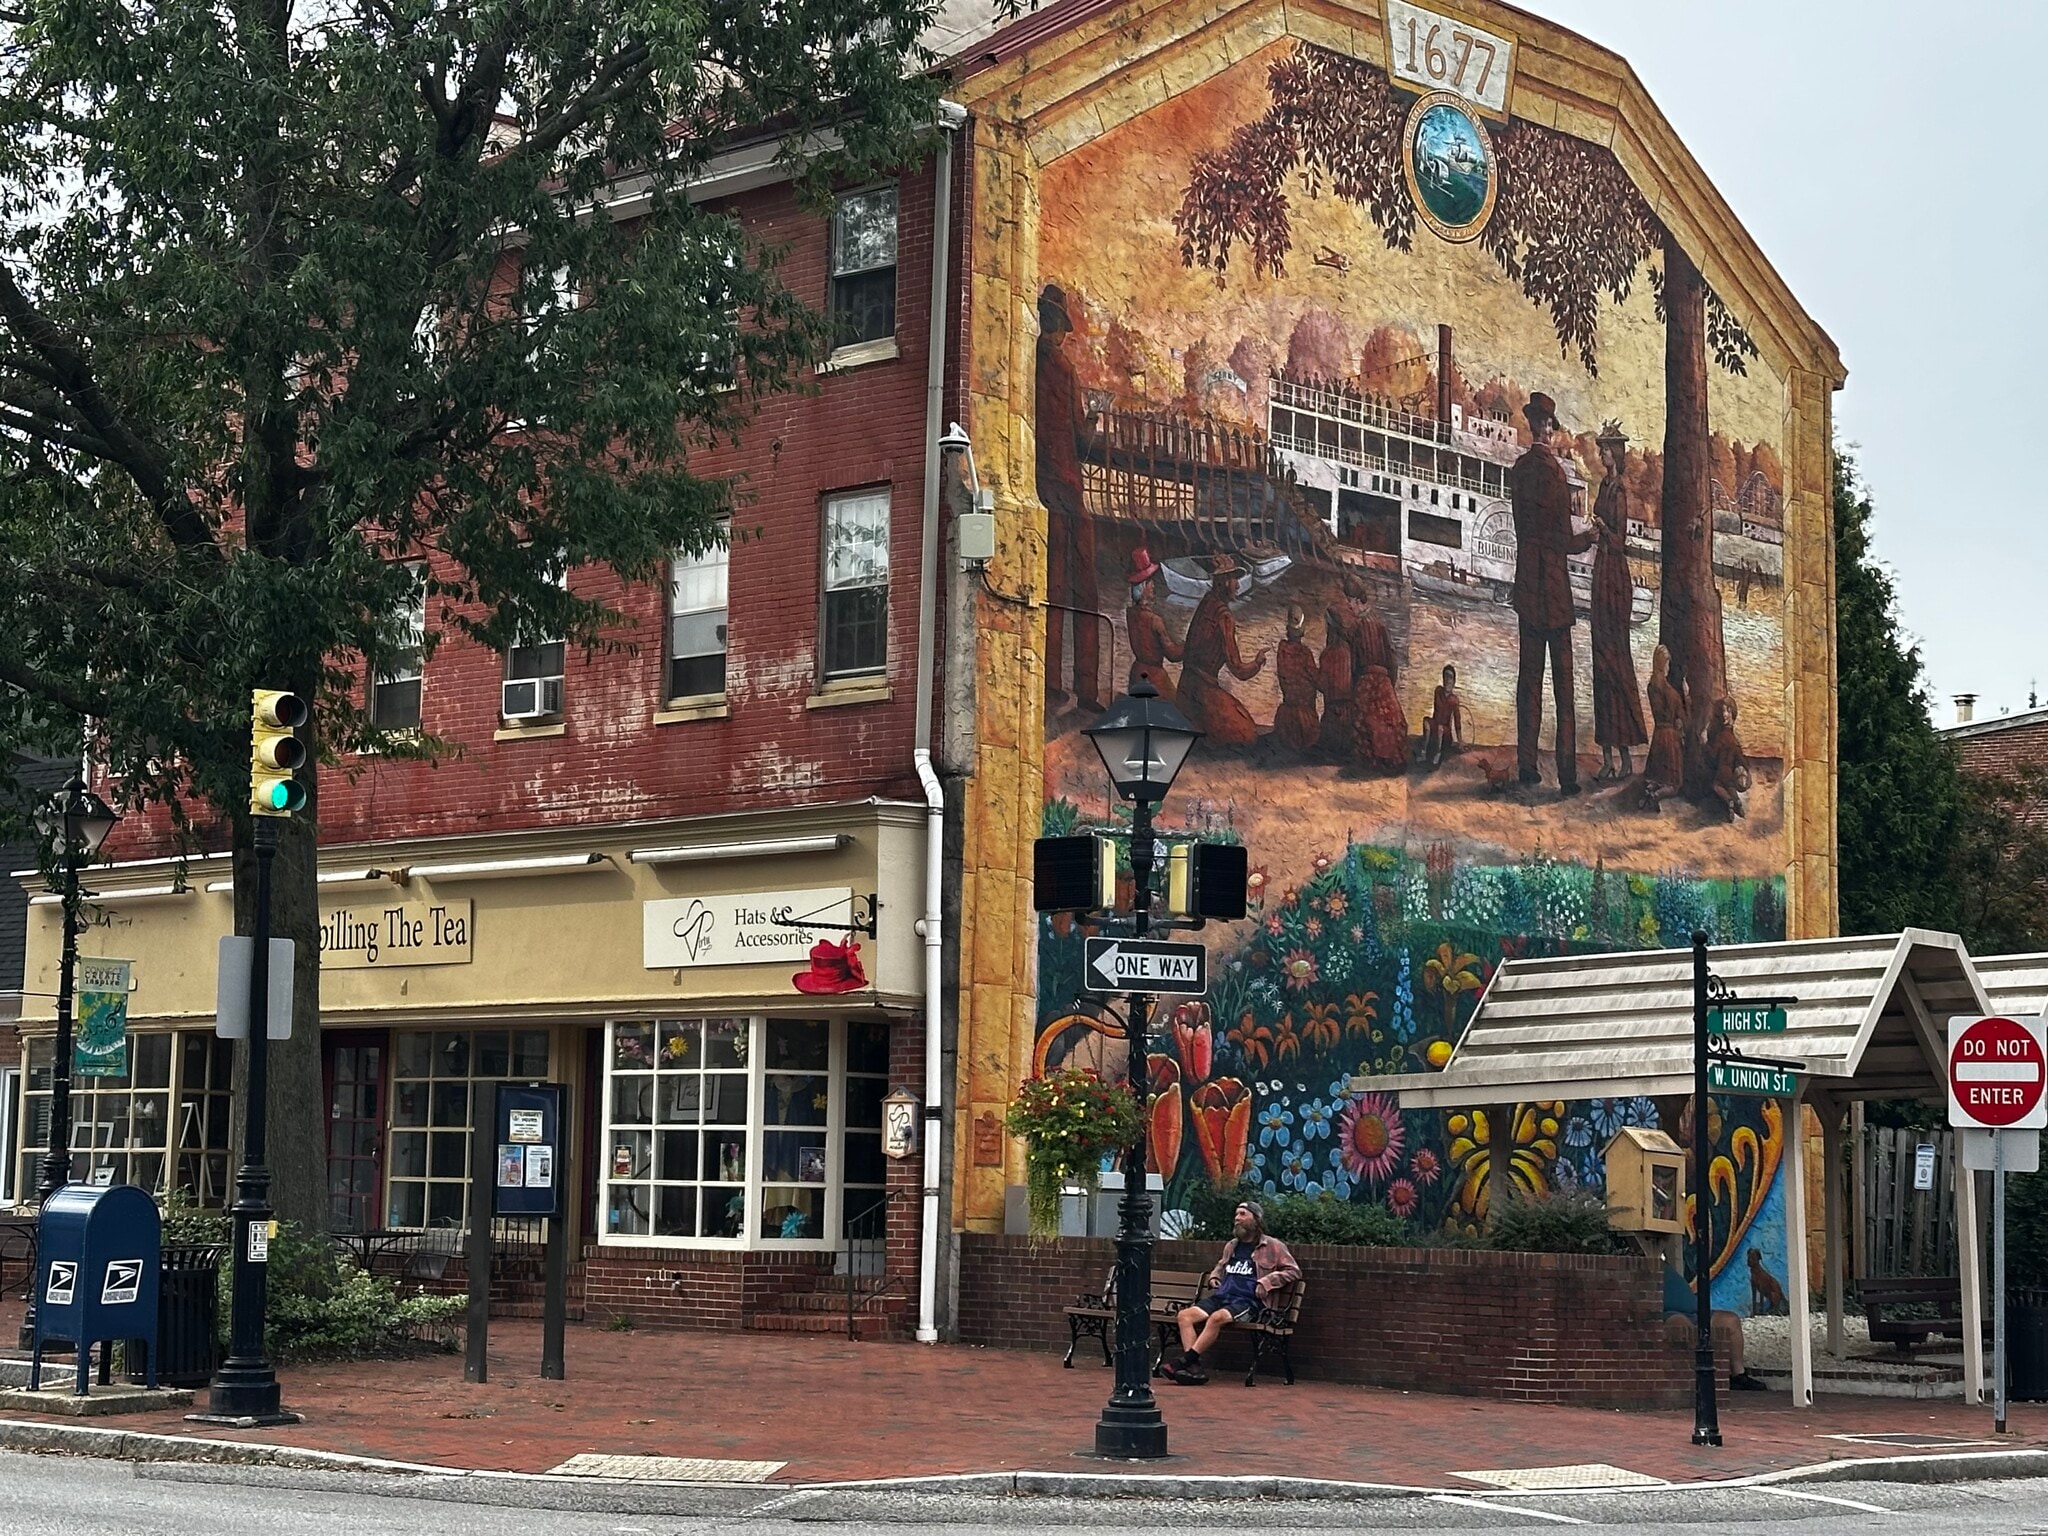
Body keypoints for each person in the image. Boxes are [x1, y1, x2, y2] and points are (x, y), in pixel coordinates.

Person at [1509, 393, 1595, 795]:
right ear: (1549, 429)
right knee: (1564, 686)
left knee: (1529, 682)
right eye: (1551, 426)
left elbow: (1524, 531)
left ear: (1532, 428)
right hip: (1556, 594)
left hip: (1528, 589)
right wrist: (1589, 539)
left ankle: (1527, 765)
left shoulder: (1518, 471)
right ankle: (1567, 776)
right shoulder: (1557, 475)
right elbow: (1562, 539)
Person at [1036, 284, 1102, 712]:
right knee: (1085, 591)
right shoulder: (1064, 369)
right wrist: (1094, 421)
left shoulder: (1029, 363)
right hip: (1067, 486)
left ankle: (1049, 683)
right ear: (1059, 328)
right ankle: (1088, 690)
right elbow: (1080, 440)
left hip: (1040, 485)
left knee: (1051, 587)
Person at [1161, 1200, 1301, 1385]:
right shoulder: (1232, 1246)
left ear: (1256, 1220)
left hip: (1249, 1302)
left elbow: (1294, 1271)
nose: (1237, 1218)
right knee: (1185, 1316)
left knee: (1217, 1318)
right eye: (1236, 1214)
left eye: (1243, 1214)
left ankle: (1183, 1362)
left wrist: (1267, 1281)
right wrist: (1214, 1277)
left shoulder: (1273, 1246)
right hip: (1222, 1297)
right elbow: (1220, 1266)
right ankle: (1193, 1368)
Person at [1589, 426, 1648, 783]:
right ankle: (1608, 758)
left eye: (1605, 451)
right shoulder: (1602, 487)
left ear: (1615, 453)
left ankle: (1625, 757)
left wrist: (1602, 528)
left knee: (1617, 665)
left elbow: (1620, 540)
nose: (1601, 457)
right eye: (1600, 451)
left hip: (1615, 577)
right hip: (1601, 574)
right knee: (1600, 666)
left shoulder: (1620, 492)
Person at [1175, 554, 1268, 746]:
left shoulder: (1206, 603)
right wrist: (1258, 662)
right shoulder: (1224, 617)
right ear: (1225, 582)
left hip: (1184, 689)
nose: (1238, 585)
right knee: (1248, 733)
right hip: (1203, 693)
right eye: (1234, 579)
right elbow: (1238, 669)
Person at [1663, 1262, 1767, 1392]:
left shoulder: (1667, 1268)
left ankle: (1738, 1375)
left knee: (1731, 1320)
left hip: (1696, 1312)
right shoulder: (1646, 1270)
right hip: (1667, 1314)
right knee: (1681, 1324)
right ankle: (1691, 1376)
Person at [1348, 591, 1409, 773]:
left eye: (1350, 600)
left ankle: (1372, 763)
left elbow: (1354, 664)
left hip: (1367, 680)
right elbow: (1392, 660)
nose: (1349, 606)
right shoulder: (1381, 624)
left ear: (1358, 600)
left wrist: (1356, 685)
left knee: (1361, 718)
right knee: (1392, 719)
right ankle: (1390, 761)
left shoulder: (1356, 628)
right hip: (1384, 681)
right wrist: (1390, 684)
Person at [1124, 546, 1183, 695]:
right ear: (1143, 588)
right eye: (1150, 582)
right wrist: (1188, 646)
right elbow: (1172, 654)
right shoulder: (1154, 620)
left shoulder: (1130, 614)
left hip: (1136, 675)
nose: (1154, 586)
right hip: (1155, 679)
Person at [1271, 604, 1321, 753]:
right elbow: (1318, 681)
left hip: (1285, 721)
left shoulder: (1282, 650)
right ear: (1303, 630)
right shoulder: (1305, 653)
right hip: (1305, 722)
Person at [1643, 644, 1687, 805]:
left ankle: (1650, 790)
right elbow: (1681, 716)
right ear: (1663, 664)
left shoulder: (1652, 686)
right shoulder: (1671, 692)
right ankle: (1656, 796)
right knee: (1674, 784)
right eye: (1667, 663)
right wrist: (1686, 696)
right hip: (1670, 738)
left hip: (1658, 734)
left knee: (1657, 776)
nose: (1668, 667)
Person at [1316, 601, 1357, 758]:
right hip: (1350, 720)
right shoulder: (1350, 652)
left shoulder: (1327, 655)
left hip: (1332, 720)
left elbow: (1322, 685)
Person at [1703, 696, 1751, 819]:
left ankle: (1729, 801)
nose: (1725, 714)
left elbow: (1713, 754)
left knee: (1717, 786)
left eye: (1728, 711)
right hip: (1730, 771)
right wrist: (1744, 767)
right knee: (1730, 786)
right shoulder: (1733, 739)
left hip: (1721, 771)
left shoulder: (1721, 737)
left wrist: (1705, 744)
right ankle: (1738, 804)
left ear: (1732, 714)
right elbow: (1739, 756)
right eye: (1723, 711)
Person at [1420, 663, 1462, 765]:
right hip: (1435, 724)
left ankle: (1438, 753)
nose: (1448, 680)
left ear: (1454, 681)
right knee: (1426, 721)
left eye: (1450, 678)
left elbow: (1457, 722)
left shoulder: (1454, 700)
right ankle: (1423, 752)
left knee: (1440, 728)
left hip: (1445, 731)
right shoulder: (1438, 691)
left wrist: (1460, 741)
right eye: (1446, 677)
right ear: (1443, 679)